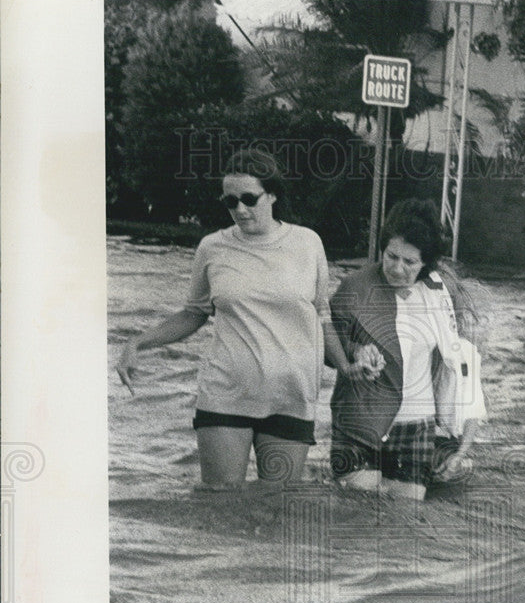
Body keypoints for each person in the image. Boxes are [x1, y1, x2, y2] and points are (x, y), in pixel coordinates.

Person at [116, 149, 359, 489]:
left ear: (272, 195)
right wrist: (138, 342)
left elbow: (321, 315)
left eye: (249, 198)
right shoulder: (212, 247)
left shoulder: (308, 244)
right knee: (220, 503)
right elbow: (194, 313)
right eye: (231, 202)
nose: (240, 210)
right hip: (226, 392)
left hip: (292, 395)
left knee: (277, 506)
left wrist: (347, 367)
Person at [329, 198, 487, 501]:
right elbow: (326, 343)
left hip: (417, 426)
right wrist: (356, 351)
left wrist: (463, 448)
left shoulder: (439, 292)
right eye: (391, 256)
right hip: (359, 423)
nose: (397, 268)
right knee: (355, 520)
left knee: (402, 525)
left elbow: (462, 372)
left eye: (409, 262)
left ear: (426, 263)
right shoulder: (355, 287)